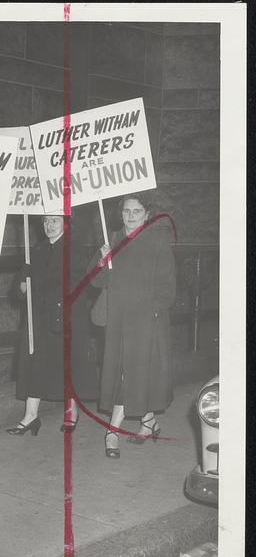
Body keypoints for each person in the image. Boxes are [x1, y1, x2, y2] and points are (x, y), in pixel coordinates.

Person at [91, 194, 176, 458]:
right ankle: (148, 422)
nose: (130, 216)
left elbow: (168, 286)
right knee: (126, 372)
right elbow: (96, 282)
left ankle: (111, 432)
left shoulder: (157, 241)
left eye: (136, 211)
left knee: (131, 374)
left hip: (145, 322)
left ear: (147, 213)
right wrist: (102, 261)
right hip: (117, 321)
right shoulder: (113, 239)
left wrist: (152, 310)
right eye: (126, 211)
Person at [8, 214, 98, 436]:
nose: (49, 225)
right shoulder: (36, 251)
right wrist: (22, 286)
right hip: (39, 317)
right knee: (34, 363)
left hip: (65, 316)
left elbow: (79, 285)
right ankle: (30, 416)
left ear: (65, 224)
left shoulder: (74, 250)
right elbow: (20, 288)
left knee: (65, 365)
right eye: (46, 221)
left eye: (55, 221)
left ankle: (71, 412)